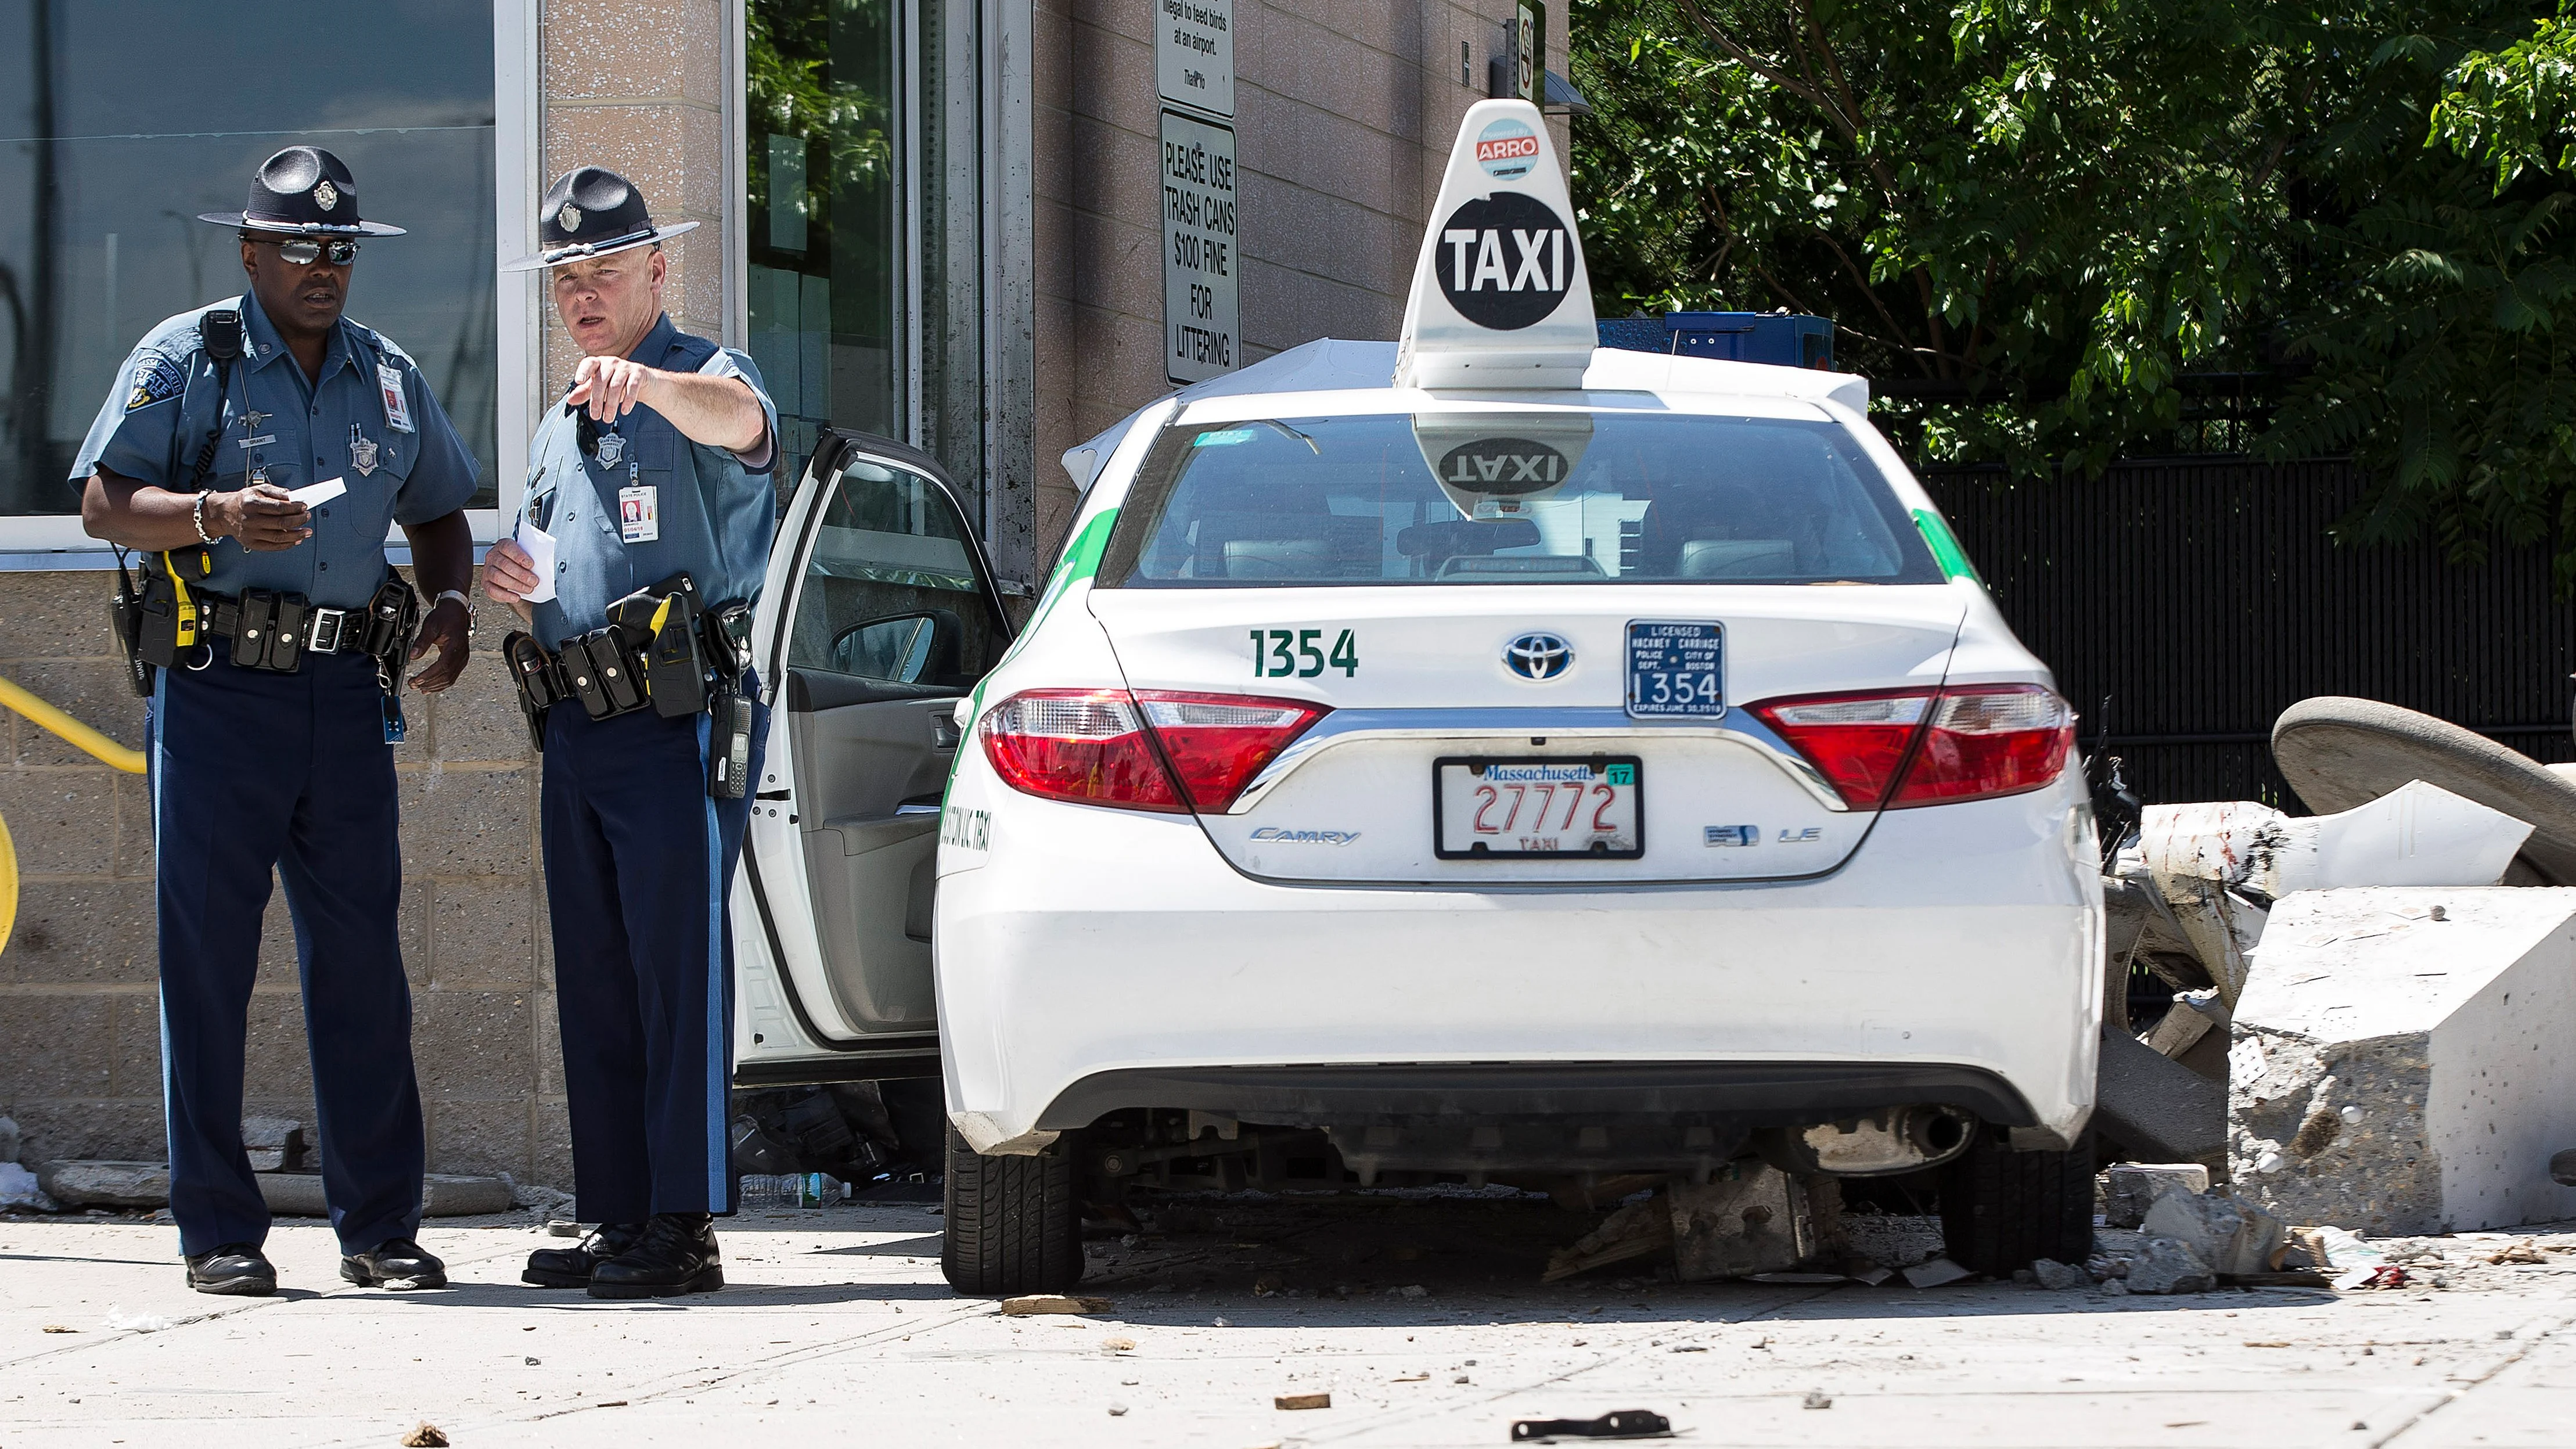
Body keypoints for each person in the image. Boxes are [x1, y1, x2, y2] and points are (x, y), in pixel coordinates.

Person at [74, 146, 479, 1295]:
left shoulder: (389, 376)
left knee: (361, 965)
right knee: (205, 962)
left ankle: (381, 1228)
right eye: (299, 245)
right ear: (250, 251)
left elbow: (440, 509)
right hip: (218, 697)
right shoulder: (189, 356)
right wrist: (206, 512)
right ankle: (219, 1232)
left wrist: (448, 607)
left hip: (346, 700)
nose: (323, 266)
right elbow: (104, 501)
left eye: (342, 248)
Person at [483, 167, 778, 1299]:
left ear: (658, 270)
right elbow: (550, 546)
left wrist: (647, 383)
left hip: (672, 720)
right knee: (597, 977)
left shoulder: (700, 375)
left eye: (603, 271)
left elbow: (746, 428)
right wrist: (518, 571)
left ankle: (683, 1223)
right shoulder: (562, 422)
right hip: (576, 718)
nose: (582, 294)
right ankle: (618, 1212)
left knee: (674, 973)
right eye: (566, 279)